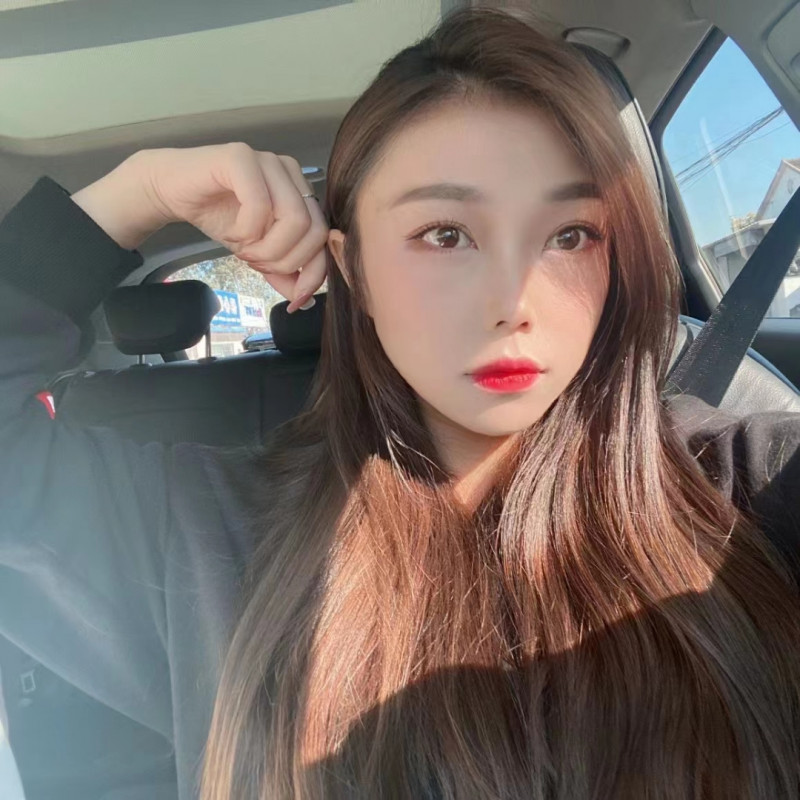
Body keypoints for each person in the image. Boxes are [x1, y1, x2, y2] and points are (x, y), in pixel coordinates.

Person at [1, 6, 799, 799]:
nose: (513, 302)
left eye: (570, 235)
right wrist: (135, 193)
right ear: (354, 271)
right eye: (445, 234)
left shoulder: (740, 488)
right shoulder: (211, 535)